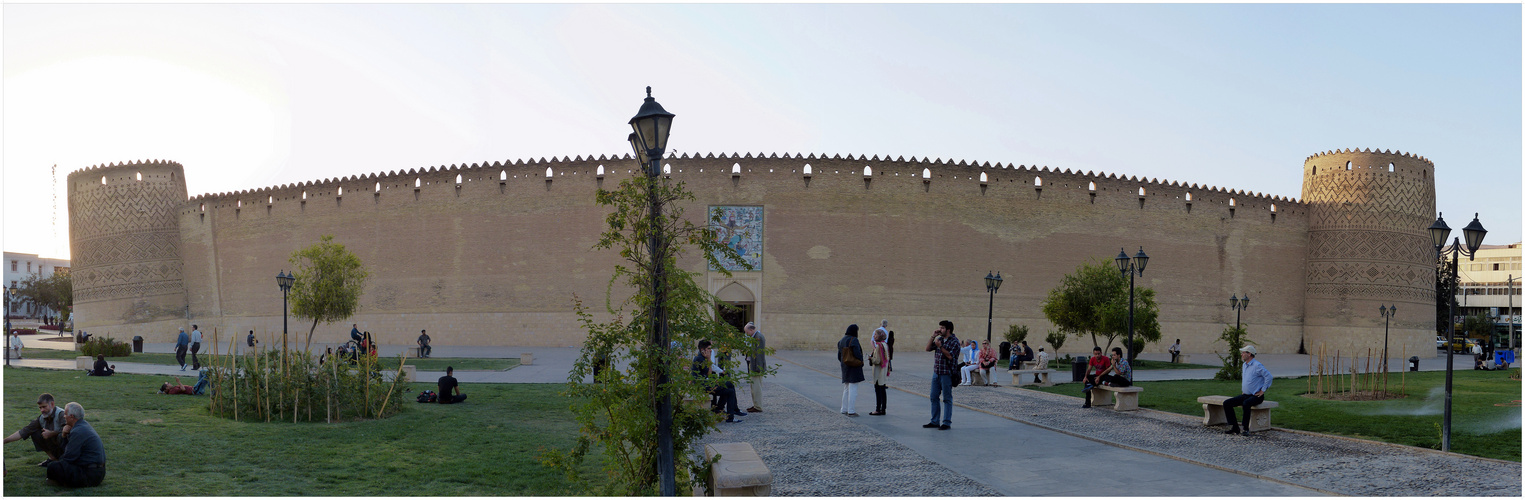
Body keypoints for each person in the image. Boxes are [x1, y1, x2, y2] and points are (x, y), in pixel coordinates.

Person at [46, 402, 106, 488]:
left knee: (53, 467)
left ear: (71, 417)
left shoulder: (78, 431)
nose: (64, 416)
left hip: (90, 475)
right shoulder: (83, 425)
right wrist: (64, 435)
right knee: (58, 465)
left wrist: (59, 464)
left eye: (65, 414)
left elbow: (68, 457)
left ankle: (59, 481)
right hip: (98, 472)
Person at [3, 393, 66, 467]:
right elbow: (23, 432)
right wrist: (4, 441)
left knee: (62, 436)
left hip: (67, 445)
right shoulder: (41, 418)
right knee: (35, 433)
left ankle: (66, 461)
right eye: (40, 408)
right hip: (54, 444)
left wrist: (51, 433)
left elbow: (70, 431)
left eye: (44, 407)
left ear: (52, 404)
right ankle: (53, 458)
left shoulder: (62, 414)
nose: (42, 410)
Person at [1223, 344, 1272, 435]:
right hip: (1245, 395)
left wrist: (1263, 390)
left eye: (1243, 353)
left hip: (1257, 396)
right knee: (1227, 403)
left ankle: (1246, 429)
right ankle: (1235, 427)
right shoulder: (1244, 365)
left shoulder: (1257, 365)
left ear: (1249, 354)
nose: (1241, 354)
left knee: (1246, 404)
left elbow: (1269, 377)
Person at [693, 340, 744, 422]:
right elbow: (709, 374)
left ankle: (721, 409)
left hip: (706, 383)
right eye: (709, 348)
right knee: (730, 391)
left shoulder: (701, 357)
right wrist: (709, 359)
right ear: (702, 349)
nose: (710, 350)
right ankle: (729, 416)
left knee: (729, 384)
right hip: (703, 386)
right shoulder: (700, 359)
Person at [924, 320, 959, 430]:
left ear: (948, 330)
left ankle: (946, 422)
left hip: (947, 374)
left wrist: (940, 347)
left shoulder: (954, 341)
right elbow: (927, 349)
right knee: (933, 396)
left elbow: (950, 356)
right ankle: (934, 421)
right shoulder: (939, 339)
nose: (940, 330)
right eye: (940, 327)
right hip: (937, 373)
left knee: (947, 398)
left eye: (942, 328)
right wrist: (932, 337)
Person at [837, 324, 865, 417]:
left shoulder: (841, 340)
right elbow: (857, 353)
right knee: (853, 389)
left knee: (846, 388)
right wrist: (861, 360)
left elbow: (839, 356)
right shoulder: (854, 339)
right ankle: (851, 410)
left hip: (845, 367)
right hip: (853, 366)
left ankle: (843, 409)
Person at [744, 322, 766, 413]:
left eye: (747, 332)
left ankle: (758, 406)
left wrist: (758, 368)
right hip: (753, 365)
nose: (746, 334)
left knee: (756, 387)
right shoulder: (755, 337)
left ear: (751, 330)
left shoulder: (758, 337)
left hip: (756, 366)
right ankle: (756, 405)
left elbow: (759, 355)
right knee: (754, 386)